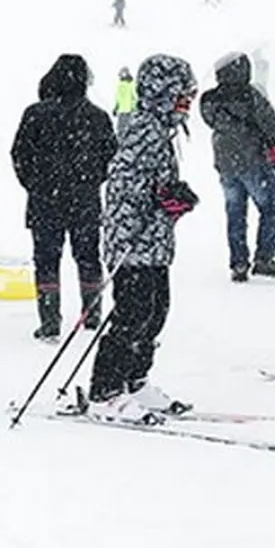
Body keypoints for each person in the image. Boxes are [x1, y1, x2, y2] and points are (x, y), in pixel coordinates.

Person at [85, 54, 199, 422]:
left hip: (154, 242)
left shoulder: (161, 130)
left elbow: (152, 184)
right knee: (132, 315)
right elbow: (123, 186)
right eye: (182, 95)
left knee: (155, 312)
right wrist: (155, 204)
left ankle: (134, 378)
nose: (187, 103)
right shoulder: (143, 131)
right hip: (133, 243)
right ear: (161, 93)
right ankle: (105, 390)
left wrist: (173, 196)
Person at [11, 55, 117, 340]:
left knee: (46, 260)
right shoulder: (98, 116)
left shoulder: (35, 114)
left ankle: (49, 321)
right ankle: (92, 314)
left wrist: (35, 184)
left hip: (45, 201)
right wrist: (90, 180)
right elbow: (110, 156)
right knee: (88, 257)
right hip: (84, 200)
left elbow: (20, 155)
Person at [200, 52, 275, 281]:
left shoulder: (209, 99)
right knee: (270, 208)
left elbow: (210, 121)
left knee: (235, 213)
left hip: (225, 163)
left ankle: (239, 263)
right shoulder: (250, 95)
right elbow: (269, 123)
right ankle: (264, 257)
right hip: (252, 160)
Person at [114, 66, 138, 135]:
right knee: (120, 128)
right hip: (121, 110)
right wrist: (116, 107)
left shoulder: (131, 84)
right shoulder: (120, 84)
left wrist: (134, 107)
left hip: (129, 110)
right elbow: (118, 97)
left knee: (128, 128)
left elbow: (135, 96)